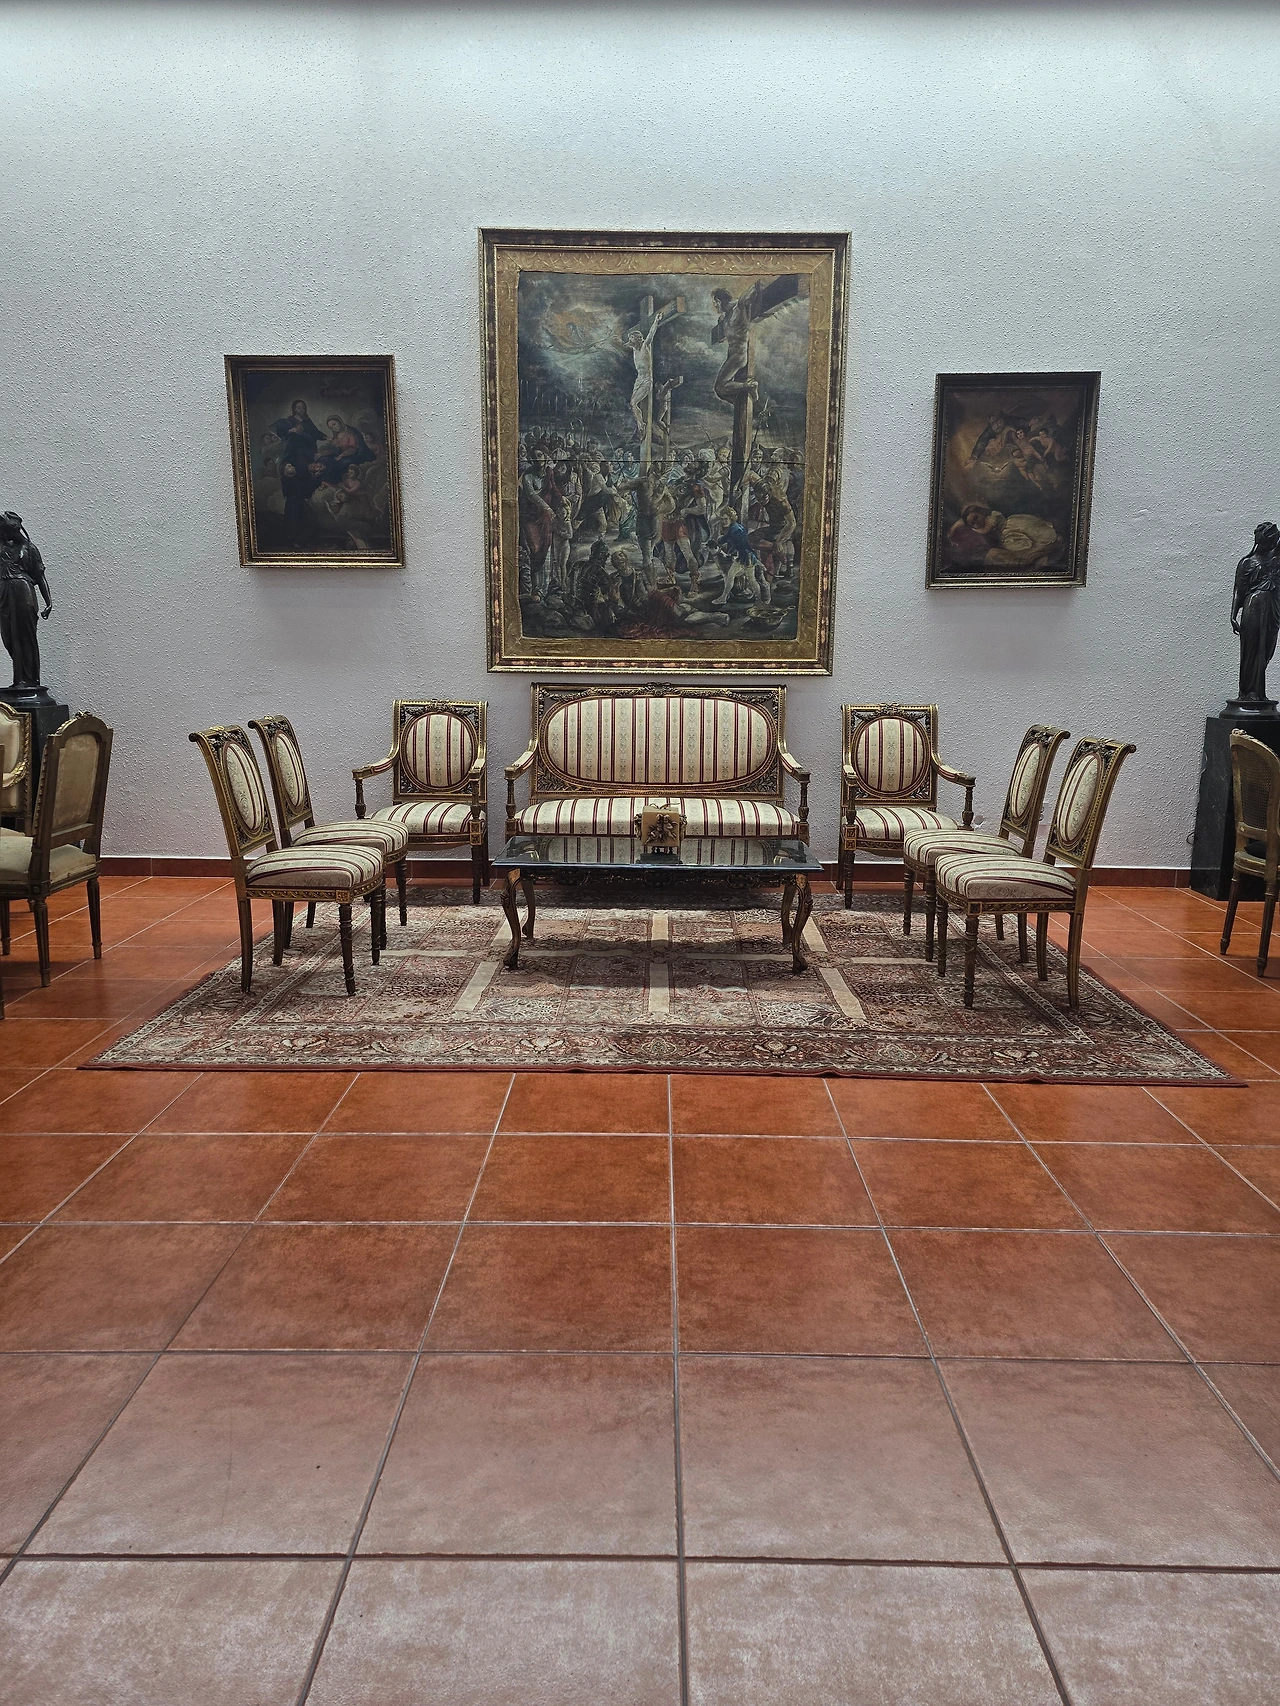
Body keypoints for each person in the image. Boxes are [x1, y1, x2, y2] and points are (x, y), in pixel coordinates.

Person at [0, 511, 52, 691]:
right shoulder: (2, 547)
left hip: (23, 592)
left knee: (25, 635)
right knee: (8, 637)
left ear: (14, 530)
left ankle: (29, 679)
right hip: (4, 594)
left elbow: (40, 576)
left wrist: (48, 602)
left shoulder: (30, 548)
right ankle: (19, 678)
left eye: (4, 530)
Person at [1232, 521, 1280, 703]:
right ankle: (1248, 692)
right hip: (1254, 606)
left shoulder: (1276, 559)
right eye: (1271, 541)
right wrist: (1233, 615)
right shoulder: (1247, 563)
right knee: (1252, 650)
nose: (1273, 544)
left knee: (1267, 649)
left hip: (1273, 609)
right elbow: (1239, 591)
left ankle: (1259, 692)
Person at [272, 400, 325, 541]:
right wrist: (292, 430)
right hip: (294, 456)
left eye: (303, 407)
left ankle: (302, 534)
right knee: (294, 494)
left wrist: (329, 438)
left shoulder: (307, 422)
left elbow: (316, 433)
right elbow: (280, 431)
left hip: (307, 456)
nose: (301, 409)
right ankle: (294, 534)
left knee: (303, 488)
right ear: (294, 409)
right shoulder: (289, 421)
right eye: (299, 407)